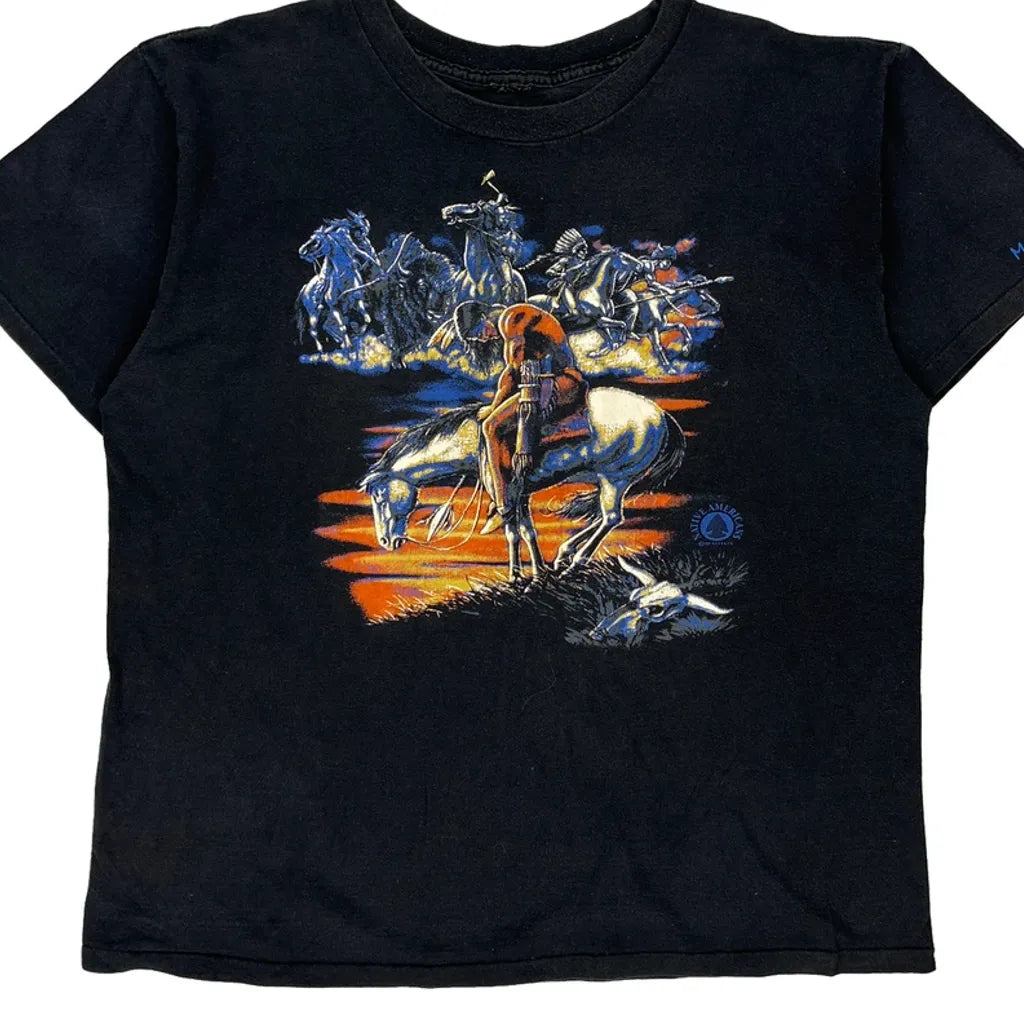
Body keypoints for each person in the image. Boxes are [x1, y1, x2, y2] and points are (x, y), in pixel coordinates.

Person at [473, 303, 588, 532]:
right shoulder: (511, 324)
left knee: (490, 427)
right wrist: (496, 406)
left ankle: (503, 506)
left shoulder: (511, 320)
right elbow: (510, 375)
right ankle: (506, 493)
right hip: (545, 380)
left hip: (562, 382)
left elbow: (514, 368)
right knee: (496, 422)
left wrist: (494, 411)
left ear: (484, 317)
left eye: (479, 333)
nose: (483, 339)